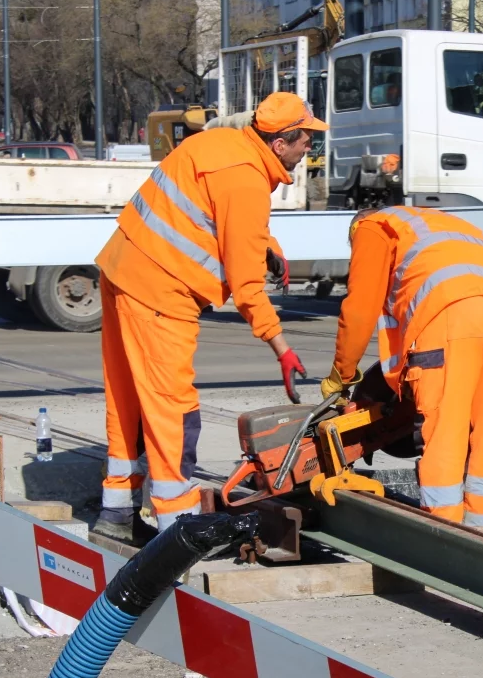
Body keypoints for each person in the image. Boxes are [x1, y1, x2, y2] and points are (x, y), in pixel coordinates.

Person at [92, 91, 326, 543]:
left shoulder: (216, 145)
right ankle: (175, 533)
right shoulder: (247, 182)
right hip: (162, 291)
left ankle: (115, 514)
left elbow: (216, 217)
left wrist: (267, 247)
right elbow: (246, 286)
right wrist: (280, 344)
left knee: (127, 400)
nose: (308, 150)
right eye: (305, 141)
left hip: (122, 268)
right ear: (280, 143)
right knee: (173, 411)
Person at [322, 206, 483, 525]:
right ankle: (481, 529)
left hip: (451, 316)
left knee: (444, 424)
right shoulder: (444, 223)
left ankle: (444, 532)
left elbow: (359, 310)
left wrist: (342, 374)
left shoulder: (372, 227)